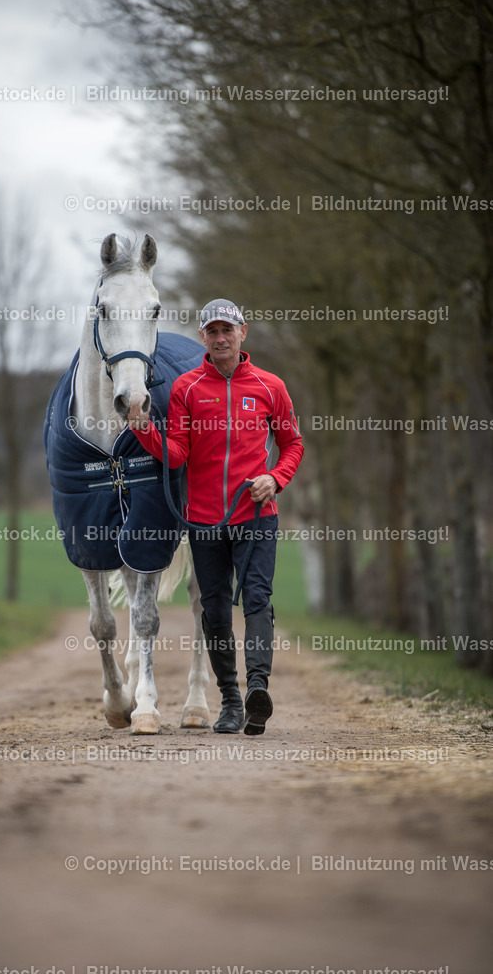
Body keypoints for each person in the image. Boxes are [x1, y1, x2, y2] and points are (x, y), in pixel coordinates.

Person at [132, 299, 304, 735]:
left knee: (258, 600)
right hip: (204, 521)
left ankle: (256, 691)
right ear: (202, 337)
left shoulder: (270, 387)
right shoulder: (187, 389)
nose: (221, 338)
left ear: (243, 332)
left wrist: (275, 477)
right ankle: (229, 699)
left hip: (256, 514)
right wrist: (143, 429)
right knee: (214, 610)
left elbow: (293, 444)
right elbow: (176, 454)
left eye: (228, 329)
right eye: (212, 331)